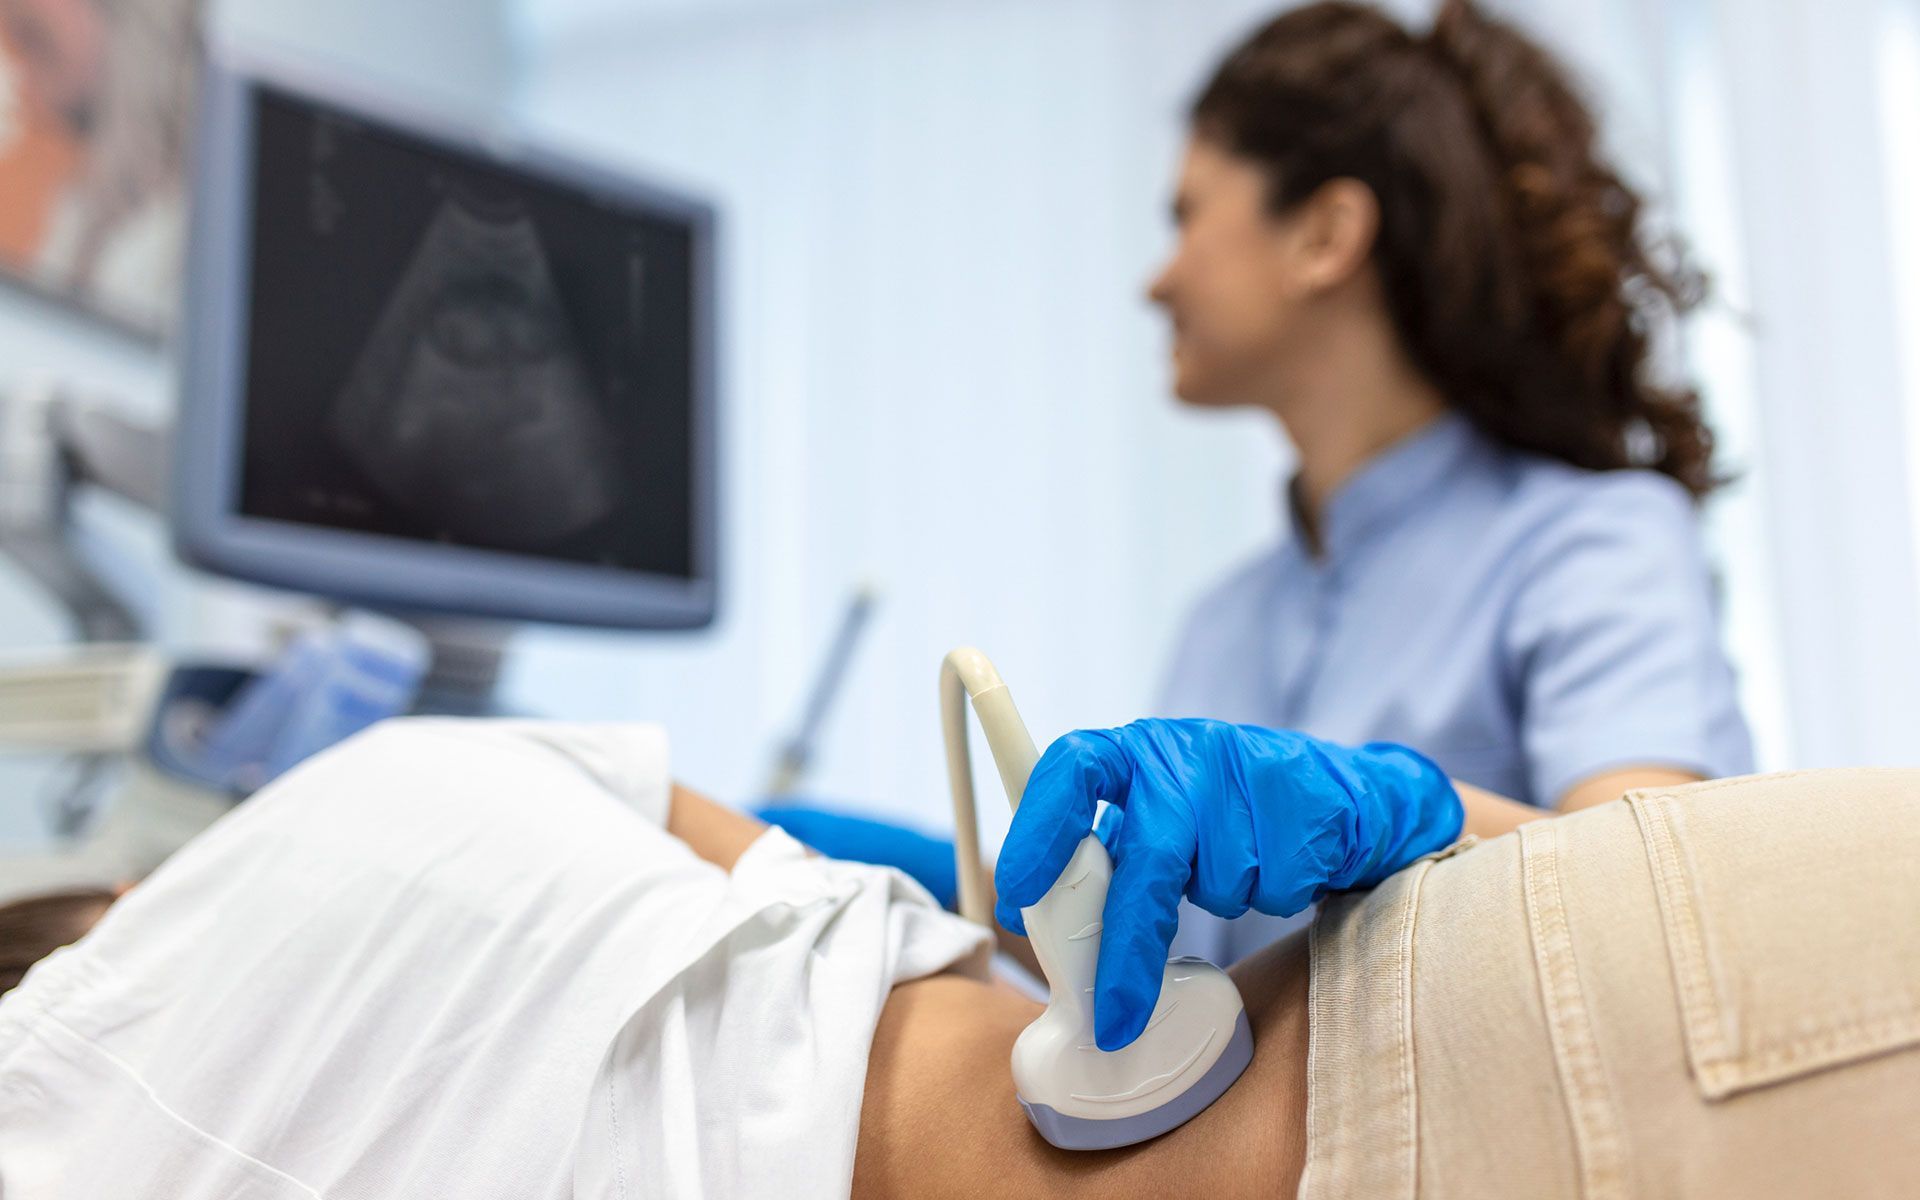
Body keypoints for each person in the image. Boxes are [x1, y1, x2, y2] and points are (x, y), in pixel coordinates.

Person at [766, 0, 1754, 970]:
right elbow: (1183, 990)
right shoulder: (1223, 625)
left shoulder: (1594, 544)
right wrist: (959, 888)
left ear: (1325, 234)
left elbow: (1651, 911)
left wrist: (1403, 818)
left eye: (1188, 216)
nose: (1158, 282)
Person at [3, 717, 1916, 1198]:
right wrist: (1434, 817)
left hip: (1491, 1089)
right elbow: (866, 891)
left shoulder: (79, 1092)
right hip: (1512, 991)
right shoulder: (395, 777)